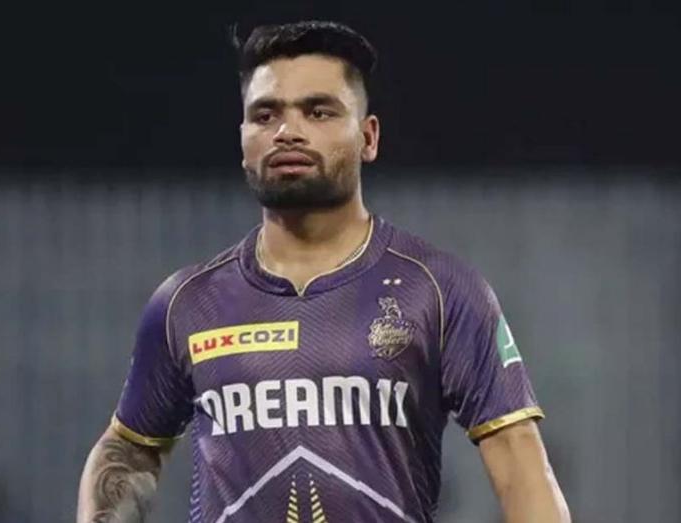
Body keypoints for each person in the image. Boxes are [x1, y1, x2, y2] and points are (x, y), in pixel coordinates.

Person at [77, 20, 571, 523]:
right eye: (265, 115)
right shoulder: (186, 302)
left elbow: (520, 462)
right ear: (243, 139)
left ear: (368, 137)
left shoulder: (440, 290)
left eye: (318, 111)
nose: (287, 131)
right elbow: (129, 449)